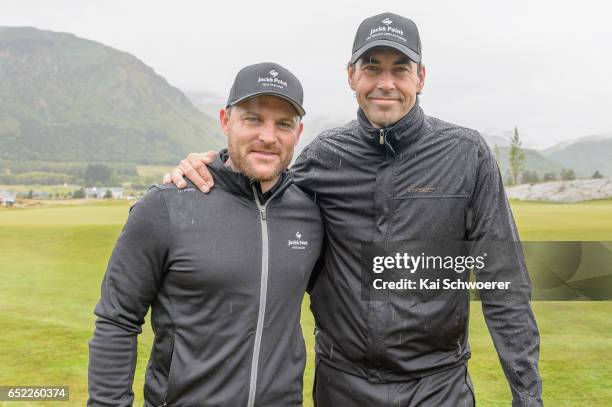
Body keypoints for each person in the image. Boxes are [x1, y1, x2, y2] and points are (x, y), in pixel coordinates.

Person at [165, 13, 543, 407]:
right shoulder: (320, 160)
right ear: (351, 76)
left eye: (400, 69)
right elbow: (254, 190)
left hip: (438, 386)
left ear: (421, 78)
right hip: (343, 385)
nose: (386, 82)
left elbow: (505, 284)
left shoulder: (467, 155)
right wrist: (201, 169)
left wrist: (527, 396)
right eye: (371, 67)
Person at [88, 62, 323, 407]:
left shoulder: (310, 214)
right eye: (253, 119)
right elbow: (117, 319)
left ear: (298, 134)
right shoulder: (165, 206)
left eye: (283, 124)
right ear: (226, 121)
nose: (268, 137)